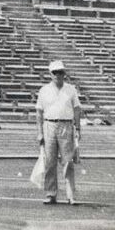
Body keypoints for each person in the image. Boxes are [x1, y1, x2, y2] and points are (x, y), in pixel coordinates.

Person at [35, 60, 81, 205]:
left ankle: (70, 195)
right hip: (49, 125)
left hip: (66, 126)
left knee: (68, 162)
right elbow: (39, 112)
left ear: (64, 73)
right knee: (49, 161)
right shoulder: (44, 90)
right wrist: (40, 132)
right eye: (55, 72)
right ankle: (50, 193)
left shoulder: (71, 89)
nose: (58, 75)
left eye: (60, 72)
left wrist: (78, 128)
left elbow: (77, 109)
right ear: (50, 74)